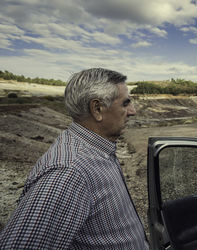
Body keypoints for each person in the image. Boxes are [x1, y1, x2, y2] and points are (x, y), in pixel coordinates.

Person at [0, 68, 149, 249]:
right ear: (97, 109)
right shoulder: (69, 172)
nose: (132, 111)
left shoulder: (96, 150)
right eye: (125, 104)